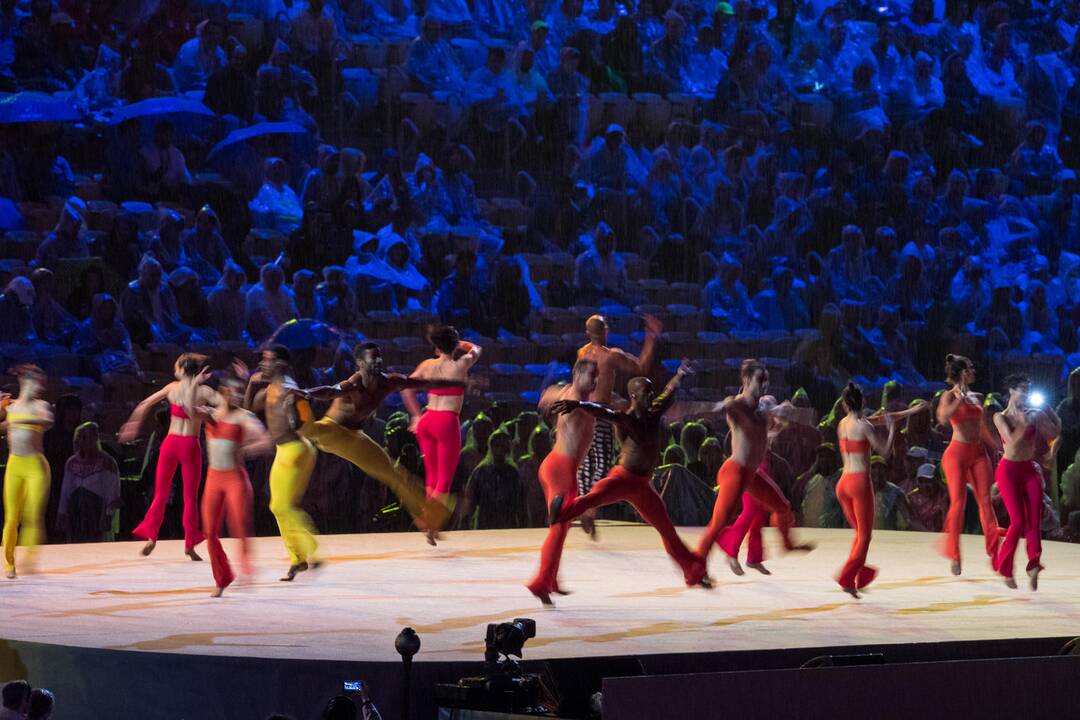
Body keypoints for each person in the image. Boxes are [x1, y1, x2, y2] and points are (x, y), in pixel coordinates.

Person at [548, 359, 711, 589]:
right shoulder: (627, 418)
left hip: (643, 485)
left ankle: (693, 572)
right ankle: (560, 512)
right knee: (590, 499)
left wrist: (681, 374)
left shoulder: (654, 411)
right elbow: (604, 412)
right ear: (634, 395)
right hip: (623, 478)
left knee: (668, 531)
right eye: (646, 392)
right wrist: (578, 405)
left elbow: (669, 390)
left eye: (651, 391)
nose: (650, 394)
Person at [296, 342, 461, 542]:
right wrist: (307, 393)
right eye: (373, 357)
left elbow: (416, 382)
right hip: (333, 431)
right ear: (359, 363)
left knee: (395, 474)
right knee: (312, 429)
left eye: (379, 356)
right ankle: (293, 411)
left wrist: (451, 383)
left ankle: (430, 518)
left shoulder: (388, 381)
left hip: (355, 437)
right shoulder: (353, 383)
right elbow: (331, 391)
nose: (378, 361)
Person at [695, 359, 815, 568]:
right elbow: (713, 409)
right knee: (718, 524)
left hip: (751, 474)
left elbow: (776, 427)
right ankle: (696, 565)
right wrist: (691, 408)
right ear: (746, 379)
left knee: (783, 507)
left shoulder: (762, 411)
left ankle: (786, 545)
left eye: (766, 379)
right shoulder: (735, 405)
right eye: (760, 379)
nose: (765, 384)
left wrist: (783, 414)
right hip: (735, 471)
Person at [119, 353, 215, 559]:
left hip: (171, 443)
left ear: (181, 369)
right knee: (189, 497)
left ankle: (152, 537)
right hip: (190, 444)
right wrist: (210, 414)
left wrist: (133, 423)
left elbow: (145, 404)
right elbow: (223, 408)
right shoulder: (204, 391)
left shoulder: (172, 388)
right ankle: (189, 544)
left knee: (161, 494)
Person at [573, 313, 661, 537]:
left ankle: (583, 505)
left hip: (584, 410)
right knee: (601, 463)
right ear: (605, 331)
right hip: (600, 414)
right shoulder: (610, 355)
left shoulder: (582, 353)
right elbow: (640, 367)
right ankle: (588, 508)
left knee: (585, 463)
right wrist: (650, 338)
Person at [526, 358, 599, 604]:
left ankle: (552, 580)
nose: (595, 380)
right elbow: (563, 401)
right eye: (591, 375)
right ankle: (540, 582)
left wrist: (552, 395)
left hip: (558, 466)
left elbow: (547, 397)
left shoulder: (578, 398)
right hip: (560, 469)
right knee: (559, 529)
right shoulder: (576, 399)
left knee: (562, 528)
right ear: (577, 375)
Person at [245, 345, 318, 581]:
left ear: (282, 364)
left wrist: (293, 411)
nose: (262, 364)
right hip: (285, 450)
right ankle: (298, 559)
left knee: (283, 506)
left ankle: (308, 547)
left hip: (295, 449)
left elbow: (301, 414)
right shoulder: (271, 389)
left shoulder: (287, 387)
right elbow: (249, 408)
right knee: (278, 506)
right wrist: (251, 383)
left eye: (268, 360)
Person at [402, 326, 482, 533]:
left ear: (436, 347)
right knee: (444, 480)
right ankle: (427, 519)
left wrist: (416, 415)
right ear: (454, 345)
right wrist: (461, 344)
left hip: (427, 421)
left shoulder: (427, 365)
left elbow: (407, 389)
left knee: (432, 475)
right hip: (446, 422)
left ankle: (432, 523)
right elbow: (477, 348)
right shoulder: (462, 364)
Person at [200, 371, 272, 597]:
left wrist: (247, 449)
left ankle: (246, 567)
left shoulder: (244, 417)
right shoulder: (210, 413)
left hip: (234, 479)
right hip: (214, 478)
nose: (238, 397)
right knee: (210, 531)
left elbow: (267, 442)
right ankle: (223, 577)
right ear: (223, 393)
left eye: (240, 393)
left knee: (239, 525)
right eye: (234, 393)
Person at [992, 374, 1061, 590]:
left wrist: (1052, 448)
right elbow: (1011, 442)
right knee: (1018, 521)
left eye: (1029, 390)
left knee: (1034, 519)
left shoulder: (1034, 414)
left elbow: (1056, 432)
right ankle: (1005, 568)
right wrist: (1024, 422)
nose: (1027, 393)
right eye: (1023, 389)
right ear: (1011, 391)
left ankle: (1033, 564)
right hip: (1009, 471)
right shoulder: (1000, 416)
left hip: (1029, 469)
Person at [936, 354, 1002, 575]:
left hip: (978, 452)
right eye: (970, 368)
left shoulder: (978, 396)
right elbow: (943, 419)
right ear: (962, 373)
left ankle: (994, 551)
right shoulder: (948, 395)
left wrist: (995, 445)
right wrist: (959, 398)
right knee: (958, 503)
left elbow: (981, 427)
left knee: (985, 500)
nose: (974, 371)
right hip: (956, 453)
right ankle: (955, 555)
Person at [834, 382, 901, 598]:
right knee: (865, 537)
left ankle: (858, 576)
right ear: (863, 402)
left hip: (843, 483)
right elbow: (885, 453)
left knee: (859, 535)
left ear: (844, 404)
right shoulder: (865, 426)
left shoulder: (842, 424)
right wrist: (891, 430)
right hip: (859, 483)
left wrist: (894, 416)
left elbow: (867, 420)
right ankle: (847, 576)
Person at [1, 366, 53, 578]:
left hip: (36, 466)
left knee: (32, 514)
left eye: (39, 383)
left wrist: (20, 419)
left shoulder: (40, 406)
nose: (37, 386)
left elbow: (46, 420)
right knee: (12, 517)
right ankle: (9, 562)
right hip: (15, 465)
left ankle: (29, 559)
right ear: (23, 381)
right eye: (34, 381)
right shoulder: (10, 407)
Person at [57, 422, 120, 543]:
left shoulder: (107, 462)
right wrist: (62, 512)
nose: (81, 442)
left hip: (96, 511)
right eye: (79, 438)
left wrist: (108, 515)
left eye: (85, 438)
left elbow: (113, 491)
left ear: (95, 438)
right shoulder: (71, 462)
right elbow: (66, 490)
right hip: (76, 512)